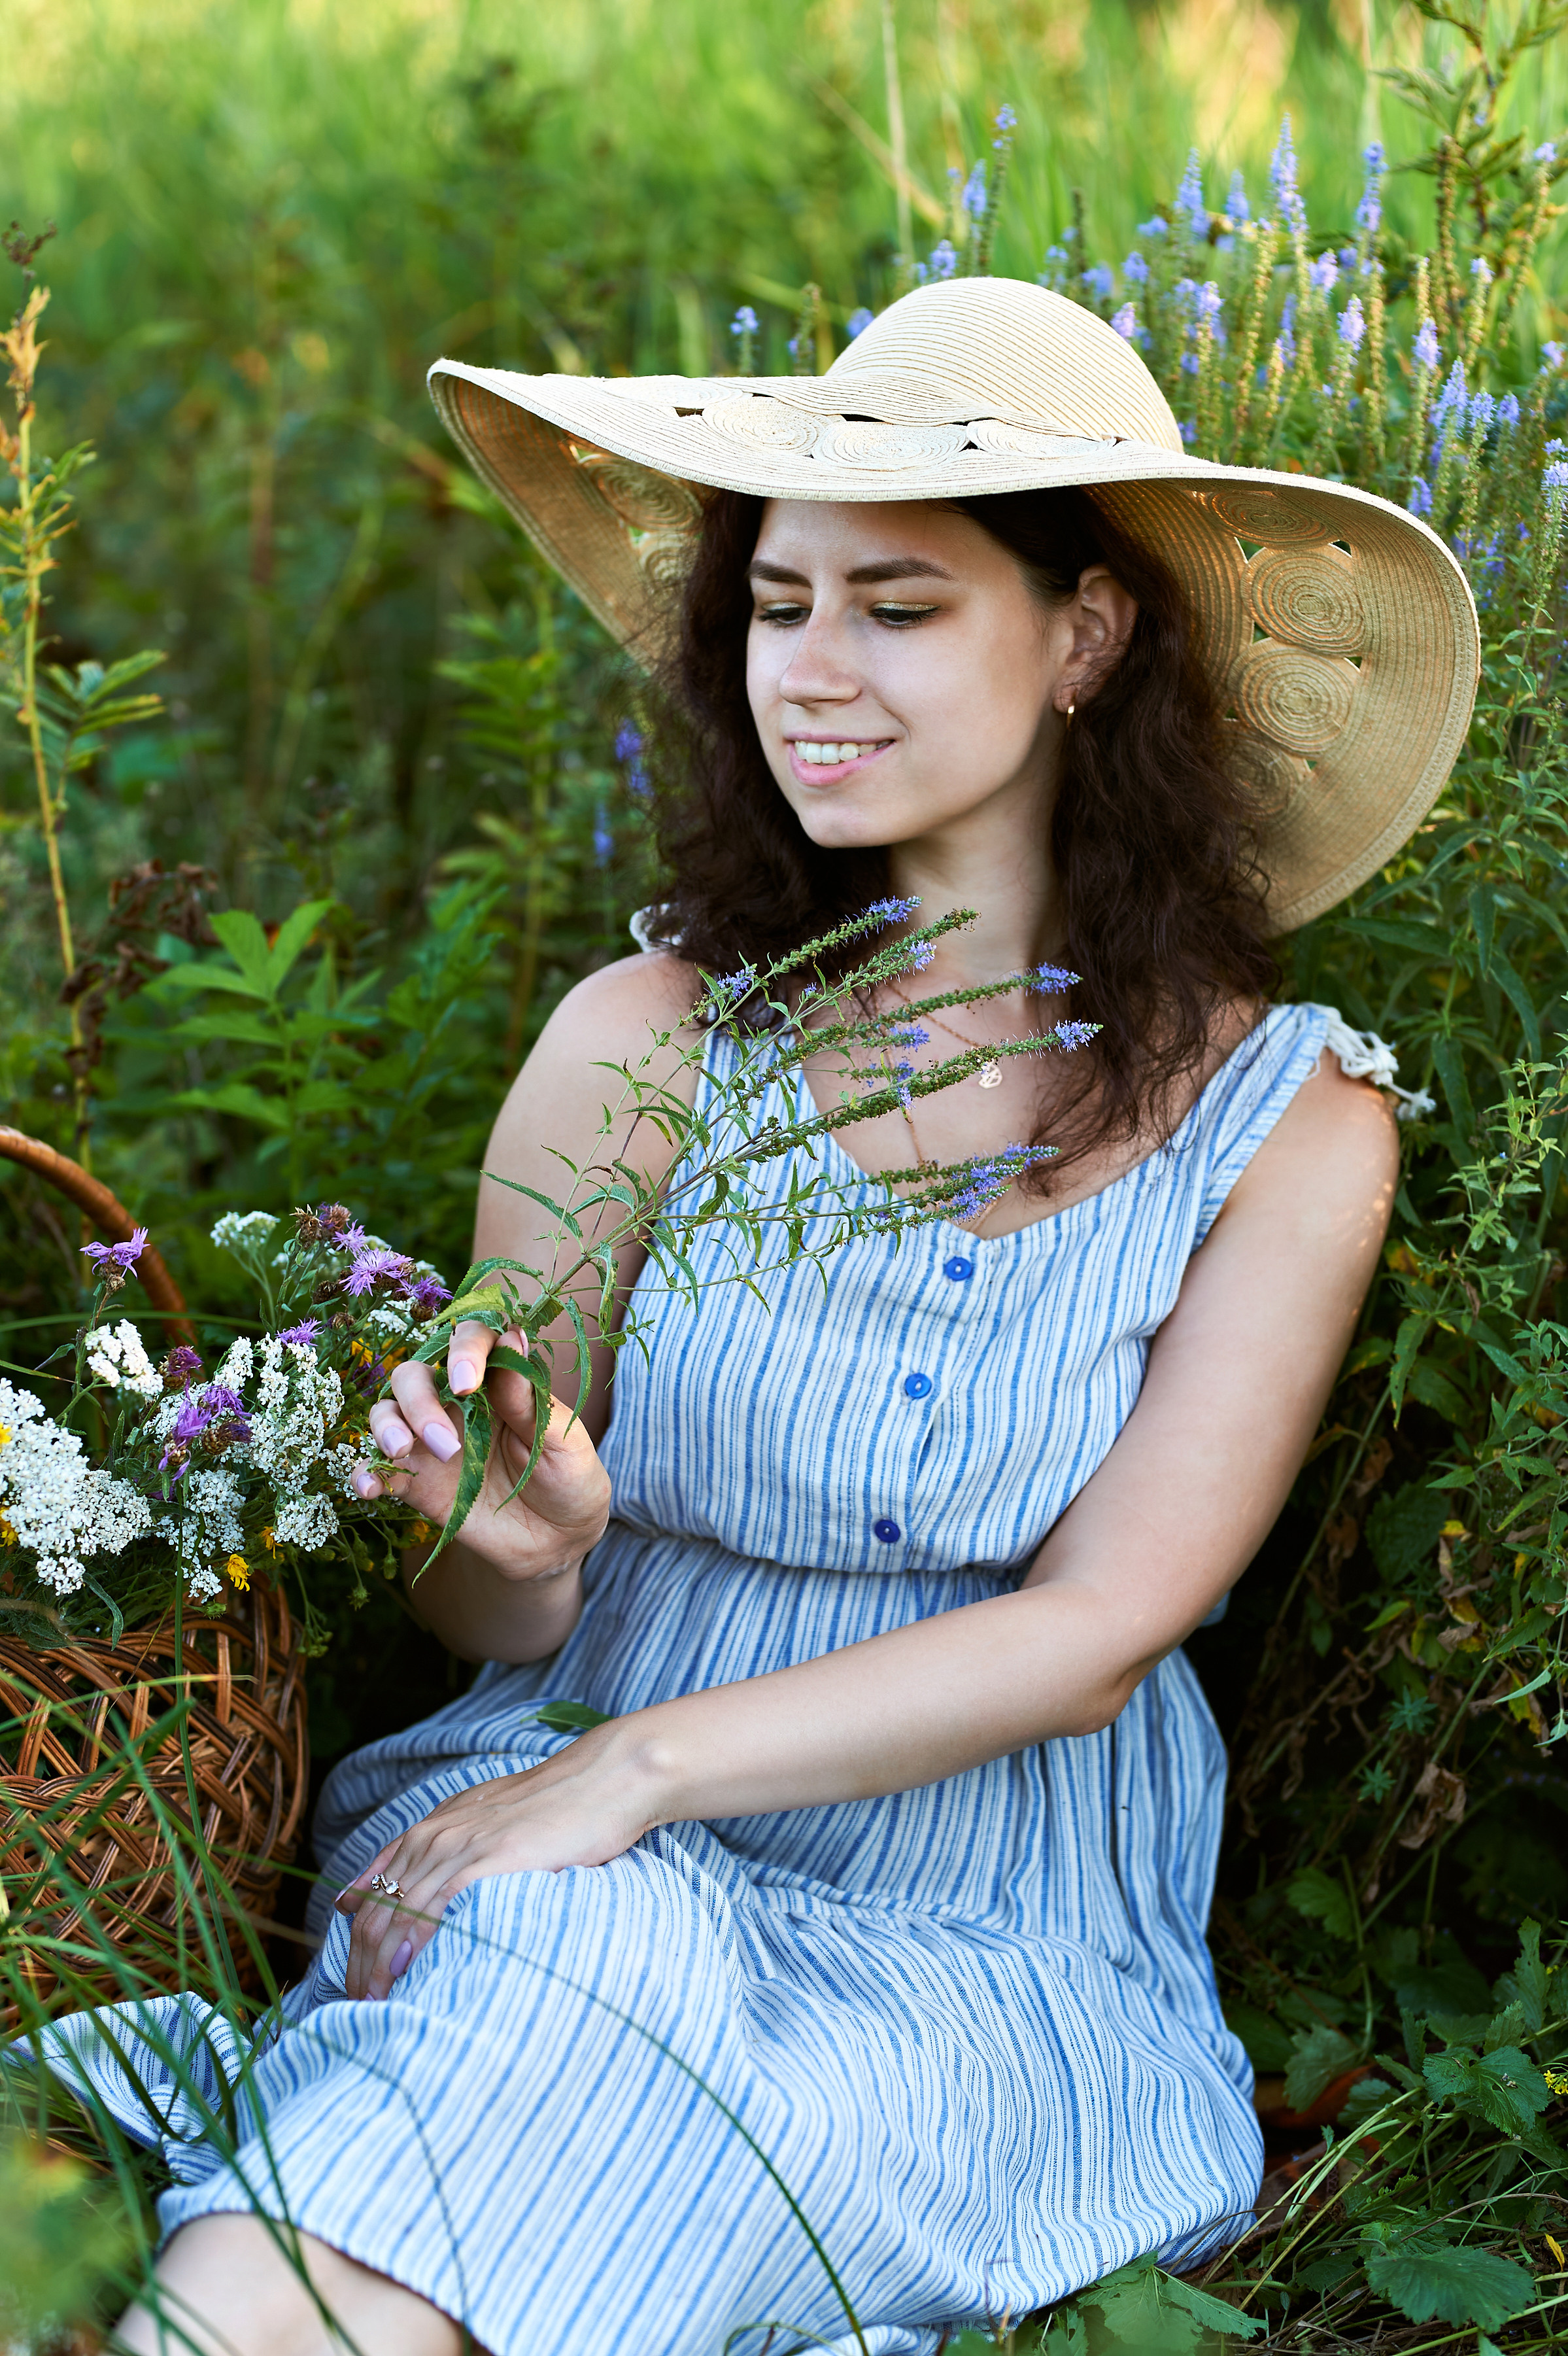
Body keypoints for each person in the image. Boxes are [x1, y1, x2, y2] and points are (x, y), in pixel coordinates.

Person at [48, 277, 1476, 2355]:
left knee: (565, 2079)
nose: (812, 668)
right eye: (779, 602)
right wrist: (510, 1544)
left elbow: (1097, 1634)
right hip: (560, 1803)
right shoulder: (650, 1041)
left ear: (1086, 637)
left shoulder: (1287, 1117)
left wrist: (638, 1768)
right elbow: (492, 1602)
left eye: (898, 605)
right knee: (561, 1962)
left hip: (978, 1905)